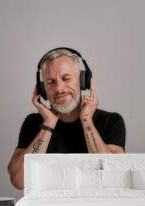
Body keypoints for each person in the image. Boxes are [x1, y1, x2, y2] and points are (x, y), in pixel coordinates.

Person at [8, 48, 126, 189]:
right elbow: (19, 181)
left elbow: (112, 178)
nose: (59, 88)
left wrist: (86, 121)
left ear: (83, 81)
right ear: (42, 89)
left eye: (66, 78)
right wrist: (49, 124)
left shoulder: (110, 121)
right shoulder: (33, 123)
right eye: (51, 82)